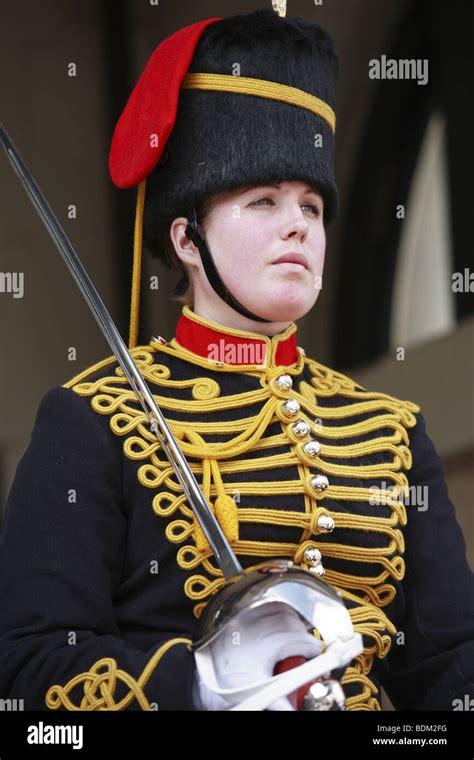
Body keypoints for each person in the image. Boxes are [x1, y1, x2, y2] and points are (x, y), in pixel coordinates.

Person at [0, 8, 473, 712]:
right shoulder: (92, 419)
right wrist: (198, 685)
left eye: (312, 206)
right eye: (263, 200)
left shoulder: (395, 432)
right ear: (187, 239)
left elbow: (451, 661)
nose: (299, 226)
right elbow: (29, 669)